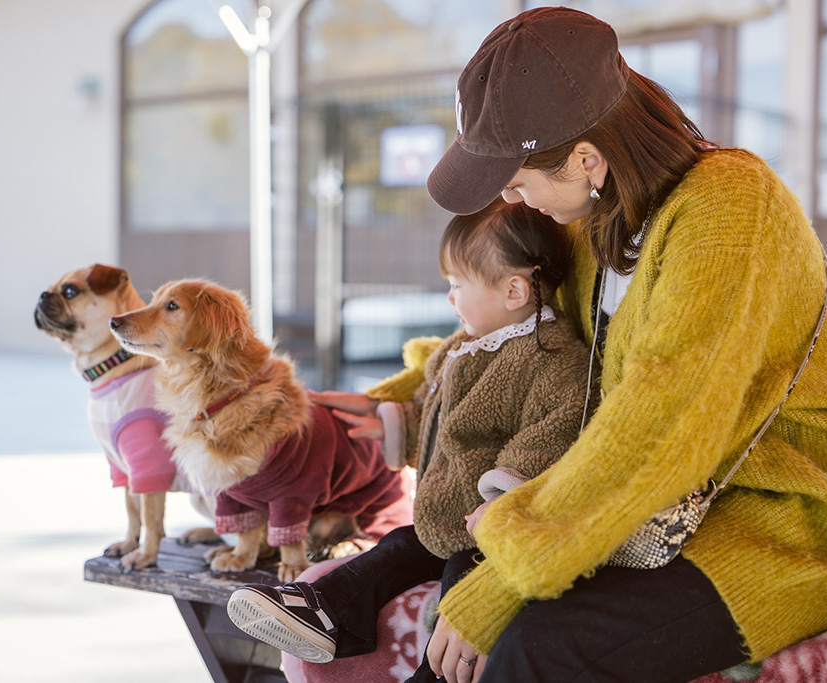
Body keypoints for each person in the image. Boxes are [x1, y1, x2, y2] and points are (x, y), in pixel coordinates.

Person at [409, 6, 827, 683]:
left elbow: (663, 421)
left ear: (586, 158)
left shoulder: (732, 207)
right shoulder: (593, 221)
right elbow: (513, 330)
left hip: (790, 525)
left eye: (517, 181)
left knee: (537, 646)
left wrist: (512, 573)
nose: (513, 201)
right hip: (659, 508)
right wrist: (396, 397)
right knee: (457, 565)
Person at [225, 197, 595, 679]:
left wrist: (505, 499)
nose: (449, 297)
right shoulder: (458, 349)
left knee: (460, 594)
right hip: (443, 519)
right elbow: (441, 416)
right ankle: (326, 612)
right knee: (397, 548)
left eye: (457, 285)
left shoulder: (554, 359)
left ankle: (432, 675)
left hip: (489, 532)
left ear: (514, 290)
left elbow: (553, 434)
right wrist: (395, 422)